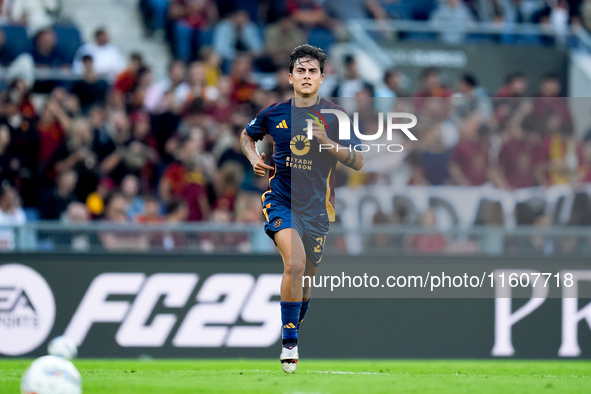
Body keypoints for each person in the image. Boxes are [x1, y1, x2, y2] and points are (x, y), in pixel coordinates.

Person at [240, 44, 363, 373]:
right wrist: (254, 159)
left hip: (318, 212)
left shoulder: (336, 116)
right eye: (301, 71)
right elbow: (246, 136)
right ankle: (289, 342)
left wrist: (329, 144)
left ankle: (293, 321)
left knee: (306, 277)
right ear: (290, 77)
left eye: (313, 72)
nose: (306, 76)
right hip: (280, 201)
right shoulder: (274, 113)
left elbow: (359, 159)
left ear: (322, 79)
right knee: (293, 264)